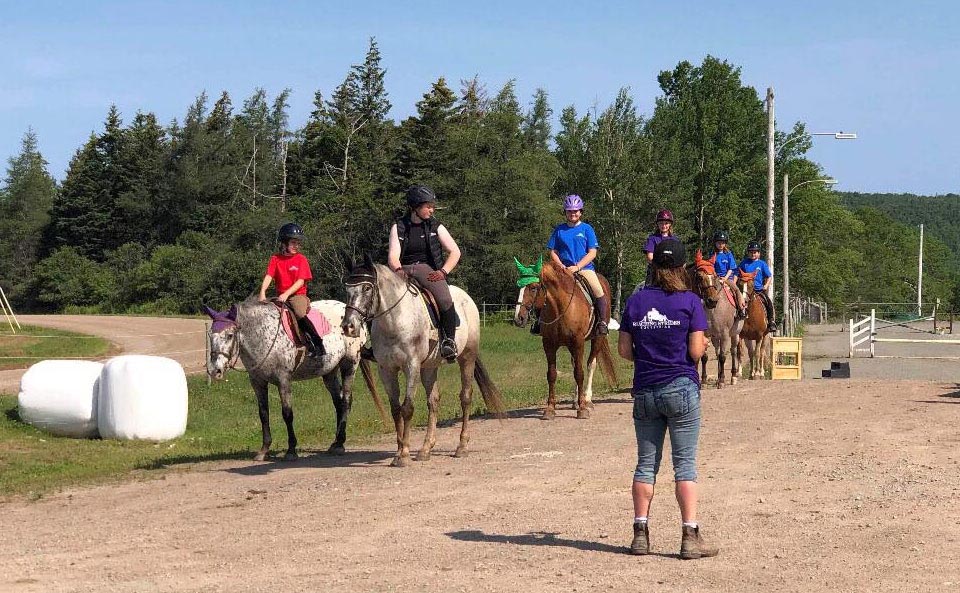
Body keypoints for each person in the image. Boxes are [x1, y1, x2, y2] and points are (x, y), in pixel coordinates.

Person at [618, 238, 718, 559]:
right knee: (685, 465)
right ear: (680, 267)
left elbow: (623, 351)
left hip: (646, 390)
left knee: (646, 465)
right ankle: (690, 537)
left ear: (654, 266)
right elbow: (694, 351)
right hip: (681, 388)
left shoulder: (635, 302)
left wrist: (649, 355)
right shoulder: (690, 302)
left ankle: (640, 534)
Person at [387, 185, 462, 361]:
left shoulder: (436, 226)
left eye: (432, 206)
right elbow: (393, 255)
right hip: (402, 270)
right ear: (415, 207)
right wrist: (398, 270)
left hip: (428, 271)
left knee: (444, 299)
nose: (431, 209)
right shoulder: (398, 227)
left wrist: (443, 271)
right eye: (428, 206)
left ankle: (449, 341)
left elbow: (455, 251)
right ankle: (374, 344)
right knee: (377, 296)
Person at [531, 194, 609, 337]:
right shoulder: (559, 230)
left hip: (584, 269)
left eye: (576, 211)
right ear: (565, 212)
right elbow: (553, 251)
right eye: (570, 211)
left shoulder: (587, 229)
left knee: (598, 290)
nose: (573, 214)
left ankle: (602, 322)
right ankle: (539, 321)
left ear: (581, 212)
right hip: (562, 269)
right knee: (543, 288)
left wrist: (577, 267)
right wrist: (560, 265)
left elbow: (592, 253)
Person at [259, 223, 325, 357]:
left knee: (299, 313)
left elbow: (301, 281)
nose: (297, 246)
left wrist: (286, 294)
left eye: (298, 243)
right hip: (280, 296)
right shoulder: (275, 259)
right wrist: (262, 292)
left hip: (297, 296)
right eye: (293, 242)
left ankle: (316, 344)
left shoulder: (301, 259)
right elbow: (269, 276)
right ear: (284, 243)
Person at [738, 240, 777, 334]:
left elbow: (769, 276)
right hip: (746, 290)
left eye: (755, 252)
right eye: (751, 252)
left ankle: (771, 321)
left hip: (759, 290)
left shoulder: (762, 264)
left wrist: (766, 285)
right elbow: (738, 274)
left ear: (759, 253)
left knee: (768, 302)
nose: (753, 254)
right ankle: (736, 319)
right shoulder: (744, 263)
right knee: (738, 302)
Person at [708, 230, 747, 318]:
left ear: (725, 244)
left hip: (727, 278)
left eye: (722, 243)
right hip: (715, 277)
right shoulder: (712, 254)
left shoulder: (728, 254)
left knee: (736, 290)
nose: (720, 245)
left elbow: (731, 269)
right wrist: (716, 277)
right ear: (715, 243)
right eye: (718, 243)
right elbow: (710, 267)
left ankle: (741, 310)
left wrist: (725, 278)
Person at [643, 210, 676, 286]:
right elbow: (649, 257)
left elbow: (678, 255)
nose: (664, 226)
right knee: (649, 286)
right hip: (655, 269)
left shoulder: (675, 240)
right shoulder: (652, 238)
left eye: (666, 223)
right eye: (661, 223)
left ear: (670, 224)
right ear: (657, 224)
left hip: (672, 269)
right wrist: (661, 266)